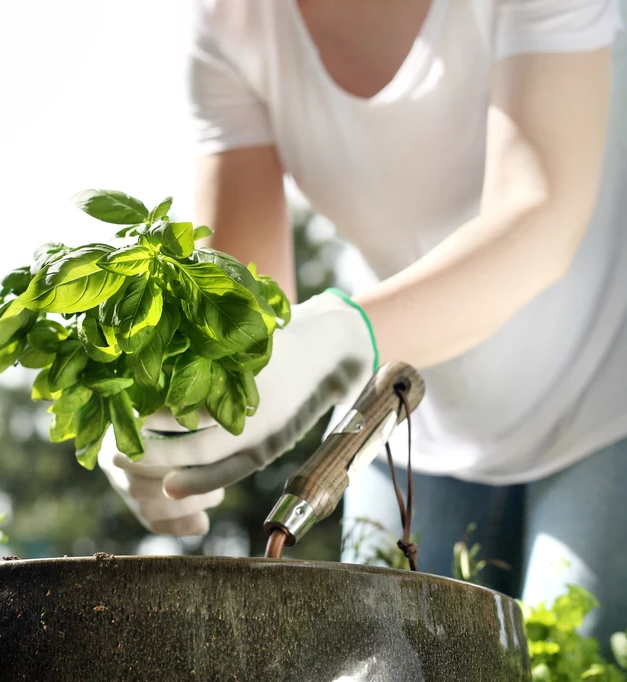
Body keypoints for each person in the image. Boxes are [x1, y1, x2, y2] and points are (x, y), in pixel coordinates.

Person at [99, 0, 627, 644]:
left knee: (578, 652)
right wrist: (172, 417)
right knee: (373, 652)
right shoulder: (231, 25)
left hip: (605, 393)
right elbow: (244, 319)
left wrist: (340, 340)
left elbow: (539, 214)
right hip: (402, 415)